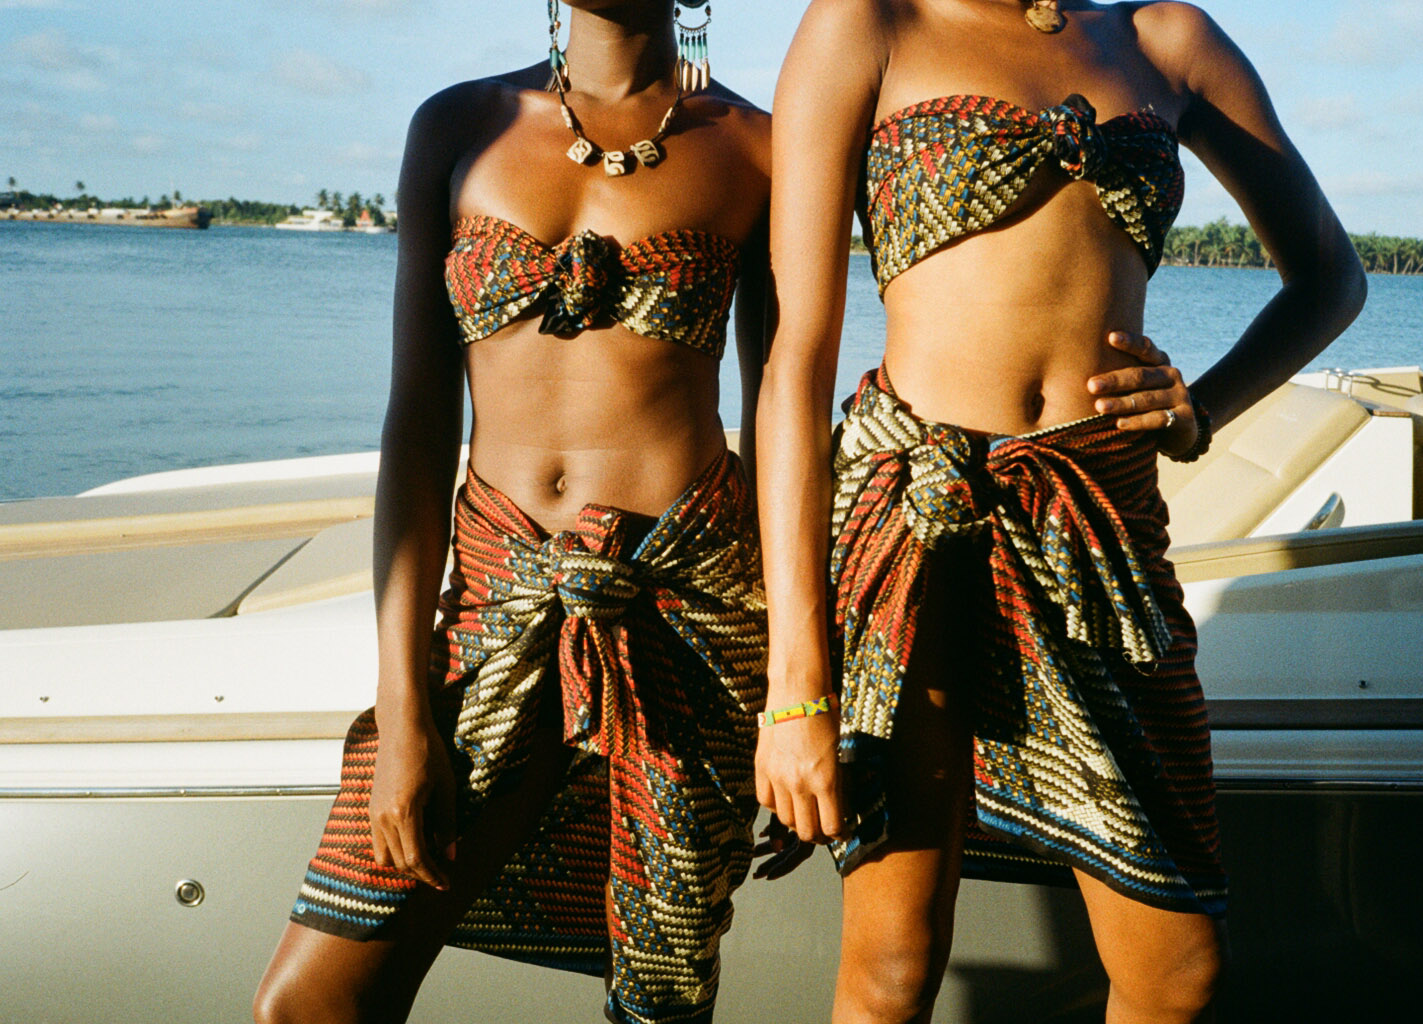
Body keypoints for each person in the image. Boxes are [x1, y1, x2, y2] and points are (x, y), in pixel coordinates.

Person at [753, 1, 1366, 1021]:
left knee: (1177, 973)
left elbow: (1329, 278)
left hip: (1097, 524)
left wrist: (1201, 409)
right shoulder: (868, 22)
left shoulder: (1167, 41)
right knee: (892, 965)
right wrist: (795, 690)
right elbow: (794, 365)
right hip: (913, 525)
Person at [252, 2, 772, 1022]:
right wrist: (402, 712)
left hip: (684, 618)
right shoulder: (458, 126)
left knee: (657, 1002)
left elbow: (782, 421)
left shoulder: (759, 146)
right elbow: (417, 425)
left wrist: (802, 686)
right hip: (493, 608)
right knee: (310, 1003)